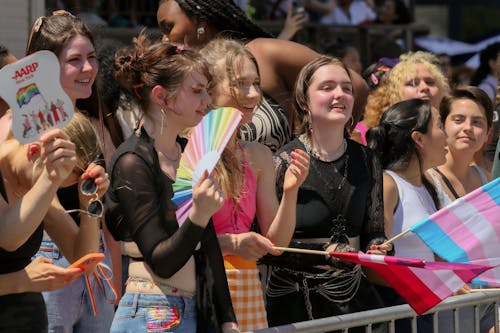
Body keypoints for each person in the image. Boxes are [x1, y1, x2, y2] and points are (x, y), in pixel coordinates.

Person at [106, 32, 239, 333]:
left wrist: (227, 317)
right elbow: (161, 260)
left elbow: (208, 244)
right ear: (161, 97)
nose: (207, 101)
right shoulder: (133, 162)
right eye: (197, 91)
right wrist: (199, 214)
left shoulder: (187, 153)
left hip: (195, 307)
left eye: (207, 91)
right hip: (153, 312)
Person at [262, 55, 389, 332]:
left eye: (346, 88)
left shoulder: (368, 159)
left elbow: (374, 230)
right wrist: (324, 253)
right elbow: (267, 250)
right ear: (304, 101)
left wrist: (379, 246)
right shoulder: (284, 160)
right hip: (295, 304)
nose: (339, 95)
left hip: (355, 301)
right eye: (327, 87)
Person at [156, 0, 370, 151]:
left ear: (199, 20)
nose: (164, 38)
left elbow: (356, 85)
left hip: (288, 201)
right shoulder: (187, 80)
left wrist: (328, 150)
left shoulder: (264, 53)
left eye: (168, 27)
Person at [200, 38, 309, 331]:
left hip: (247, 284)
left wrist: (290, 191)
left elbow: (277, 244)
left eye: (256, 83)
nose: (252, 94)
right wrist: (232, 243)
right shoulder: (190, 149)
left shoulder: (259, 154)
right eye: (240, 84)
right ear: (209, 88)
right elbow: (175, 238)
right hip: (199, 284)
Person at [25, 10, 121, 331]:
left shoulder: (89, 124)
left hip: (94, 256)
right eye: (75, 60)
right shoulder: (30, 132)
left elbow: (100, 215)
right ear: (46, 68)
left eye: (92, 57)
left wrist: (113, 272)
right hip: (49, 256)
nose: (89, 68)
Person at [0, 111, 109, 332]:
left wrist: (88, 204)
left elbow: (83, 260)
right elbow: (8, 237)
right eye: (54, 178)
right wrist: (21, 281)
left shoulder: (42, 185)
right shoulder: (45, 182)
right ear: (33, 150)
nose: (53, 189)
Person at [367, 98, 447, 331]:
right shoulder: (388, 184)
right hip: (397, 316)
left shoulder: (427, 186)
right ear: (419, 139)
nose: (445, 135)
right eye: (439, 126)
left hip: (422, 315)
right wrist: (426, 283)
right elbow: (373, 266)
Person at [427, 87, 495, 333]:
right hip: (449, 303)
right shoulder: (427, 180)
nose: (468, 128)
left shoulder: (486, 178)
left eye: (477, 122)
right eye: (458, 120)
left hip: (489, 299)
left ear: (487, 135)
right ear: (442, 127)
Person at [361, 51, 449, 145]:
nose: (424, 88)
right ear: (392, 93)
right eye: (412, 83)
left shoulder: (452, 131)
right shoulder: (366, 135)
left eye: (430, 82)